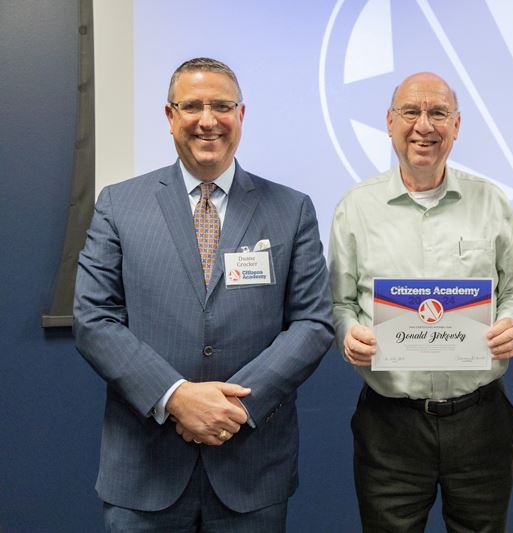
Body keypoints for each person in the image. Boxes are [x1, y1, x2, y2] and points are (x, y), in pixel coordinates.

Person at [74, 57, 334, 532]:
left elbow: (313, 322)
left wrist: (234, 407)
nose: (207, 120)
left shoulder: (292, 209)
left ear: (241, 114)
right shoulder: (119, 204)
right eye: (192, 106)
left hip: (251, 470)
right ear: (170, 116)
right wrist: (175, 396)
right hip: (145, 470)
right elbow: (94, 319)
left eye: (221, 106)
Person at [328, 72, 513, 532]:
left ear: (456, 125)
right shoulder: (355, 208)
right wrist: (349, 333)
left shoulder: (491, 202)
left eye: (438, 113)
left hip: (479, 419)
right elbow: (340, 303)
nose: (424, 125)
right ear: (389, 122)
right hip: (390, 425)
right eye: (411, 112)